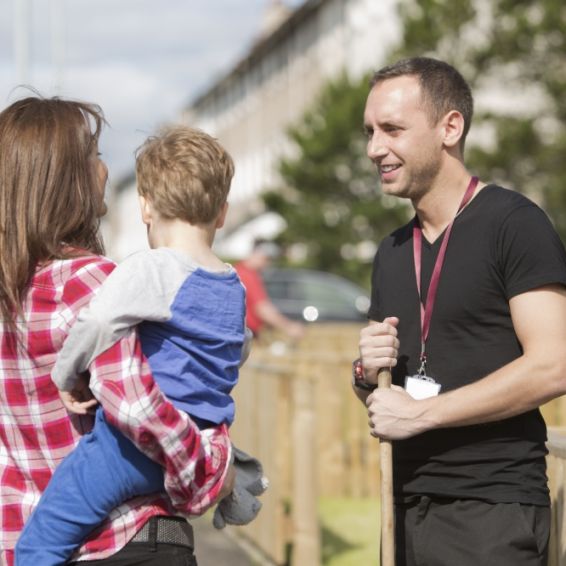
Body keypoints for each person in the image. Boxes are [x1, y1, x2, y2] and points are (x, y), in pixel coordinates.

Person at [13, 125, 269, 564]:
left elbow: (99, 322)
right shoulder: (232, 283)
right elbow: (238, 347)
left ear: (146, 207)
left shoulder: (149, 270)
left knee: (44, 536)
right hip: (198, 433)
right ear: (222, 212)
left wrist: (66, 374)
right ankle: (234, 488)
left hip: (126, 448)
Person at [353, 57, 566, 566]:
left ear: (451, 127)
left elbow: (555, 363)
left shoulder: (514, 223)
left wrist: (423, 414)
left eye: (392, 129)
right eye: (370, 131)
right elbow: (384, 394)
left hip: (491, 512)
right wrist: (365, 370)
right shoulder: (392, 250)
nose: (374, 148)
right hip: (402, 506)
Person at [235, 238, 304, 340]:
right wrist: (289, 327)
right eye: (266, 258)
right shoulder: (247, 275)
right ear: (257, 253)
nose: (268, 263)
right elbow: (262, 309)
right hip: (244, 335)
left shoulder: (240, 271)